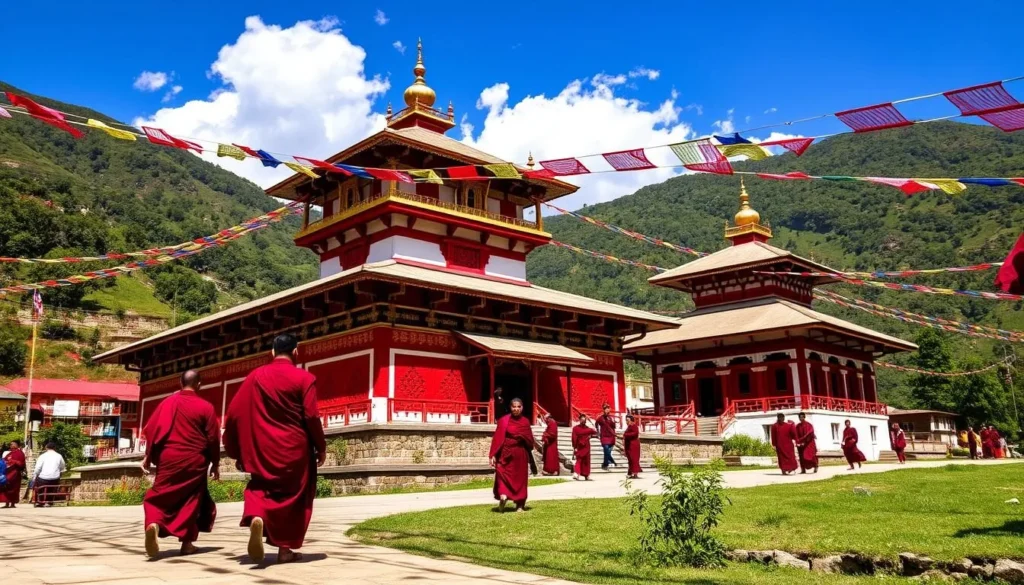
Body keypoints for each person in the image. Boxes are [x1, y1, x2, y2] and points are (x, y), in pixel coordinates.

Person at [223, 333, 326, 564]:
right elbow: (311, 416)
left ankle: (258, 515)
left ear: (272, 352)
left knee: (261, 485)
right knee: (294, 497)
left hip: (262, 448)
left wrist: (237, 449)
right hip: (295, 449)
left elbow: (234, 413)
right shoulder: (305, 378)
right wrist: (320, 447)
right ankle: (285, 550)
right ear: (296, 352)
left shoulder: (255, 377)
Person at [141, 369, 221, 558]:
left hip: (169, 458)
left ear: (179, 382)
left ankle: (153, 523)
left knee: (158, 495)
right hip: (195, 460)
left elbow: (153, 431)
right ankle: (187, 544)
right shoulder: (205, 407)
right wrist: (215, 463)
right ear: (199, 384)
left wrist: (147, 456)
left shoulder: (167, 403)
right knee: (192, 500)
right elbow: (212, 439)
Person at [489, 397, 534, 512]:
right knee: (501, 473)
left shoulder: (525, 422)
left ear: (522, 408)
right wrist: (493, 454)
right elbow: (497, 438)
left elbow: (529, 439)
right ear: (510, 407)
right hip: (505, 452)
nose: (516, 409)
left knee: (521, 479)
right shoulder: (504, 420)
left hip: (520, 454)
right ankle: (503, 495)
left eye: (518, 407)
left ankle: (520, 504)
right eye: (514, 407)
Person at [33, 441, 66, 506]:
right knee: (52, 488)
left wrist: (35, 475)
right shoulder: (59, 456)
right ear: (55, 448)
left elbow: (38, 468)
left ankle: (41, 501)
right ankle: (49, 502)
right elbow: (62, 467)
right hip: (55, 478)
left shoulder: (42, 456)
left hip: (43, 478)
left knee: (39, 485)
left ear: (46, 448)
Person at [1, 440, 26, 508]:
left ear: (17, 445)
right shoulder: (10, 453)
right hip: (8, 473)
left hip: (15, 473)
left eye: (13, 444)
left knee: (14, 488)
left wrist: (13, 461)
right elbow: (4, 460)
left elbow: (22, 464)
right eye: (11, 444)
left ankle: (12, 503)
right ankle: (7, 503)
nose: (11, 445)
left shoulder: (20, 453)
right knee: (6, 487)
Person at [571, 413, 596, 480]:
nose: (583, 421)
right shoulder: (576, 428)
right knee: (579, 460)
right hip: (579, 446)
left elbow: (596, 433)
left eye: (584, 420)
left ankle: (586, 475)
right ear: (579, 420)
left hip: (586, 446)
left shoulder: (588, 429)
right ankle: (576, 473)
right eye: (582, 419)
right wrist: (575, 447)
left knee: (586, 461)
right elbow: (574, 438)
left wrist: (591, 436)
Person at [595, 403, 618, 470]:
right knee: (606, 449)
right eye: (605, 409)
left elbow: (614, 426)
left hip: (611, 436)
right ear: (603, 410)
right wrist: (598, 431)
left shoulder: (611, 418)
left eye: (608, 409)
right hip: (604, 436)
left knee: (608, 451)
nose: (607, 410)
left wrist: (613, 422)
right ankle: (611, 461)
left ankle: (605, 464)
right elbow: (596, 423)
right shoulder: (600, 418)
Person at [623, 414, 642, 479]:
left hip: (633, 445)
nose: (626, 422)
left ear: (631, 420)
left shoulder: (634, 426)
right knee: (630, 459)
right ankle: (630, 473)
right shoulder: (629, 427)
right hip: (629, 445)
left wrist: (626, 434)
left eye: (627, 420)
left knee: (634, 459)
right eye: (626, 420)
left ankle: (635, 473)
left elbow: (634, 433)